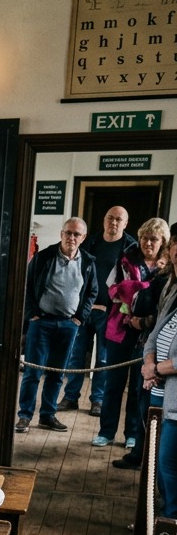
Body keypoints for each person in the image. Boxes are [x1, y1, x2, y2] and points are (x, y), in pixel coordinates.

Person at [92, 219, 169, 449]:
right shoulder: (126, 258)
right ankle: (106, 431)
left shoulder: (166, 268)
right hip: (120, 327)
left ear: (162, 242)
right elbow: (113, 289)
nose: (148, 243)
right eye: (145, 238)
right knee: (113, 383)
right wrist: (130, 301)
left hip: (147, 333)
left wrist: (137, 291)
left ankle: (132, 434)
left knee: (138, 385)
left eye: (153, 239)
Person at [15, 218, 96, 434]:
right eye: (68, 233)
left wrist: (80, 317)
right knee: (33, 371)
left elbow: (91, 292)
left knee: (57, 373)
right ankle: (24, 416)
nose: (71, 237)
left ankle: (47, 416)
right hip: (41, 323)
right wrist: (32, 314)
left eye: (76, 234)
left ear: (83, 238)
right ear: (61, 234)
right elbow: (28, 285)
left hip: (69, 326)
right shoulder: (44, 257)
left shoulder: (87, 262)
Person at [59, 206, 137, 414]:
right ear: (103, 220)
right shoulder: (90, 243)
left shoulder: (131, 247)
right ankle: (70, 397)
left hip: (111, 312)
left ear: (125, 224)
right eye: (110, 218)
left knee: (103, 358)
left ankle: (97, 400)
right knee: (76, 356)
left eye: (118, 220)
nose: (113, 223)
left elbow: (132, 283)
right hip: (84, 309)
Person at [117, 222, 177, 469]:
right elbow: (155, 318)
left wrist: (156, 368)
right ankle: (142, 457)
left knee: (164, 432)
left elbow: (150, 316)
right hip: (149, 352)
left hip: (167, 370)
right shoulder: (167, 279)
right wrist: (150, 362)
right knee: (145, 408)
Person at [140, 248, 177, 515]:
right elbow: (154, 335)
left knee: (168, 464)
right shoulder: (175, 296)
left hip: (173, 396)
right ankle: (160, 518)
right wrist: (150, 364)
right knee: (156, 462)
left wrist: (156, 370)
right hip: (161, 391)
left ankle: (169, 525)